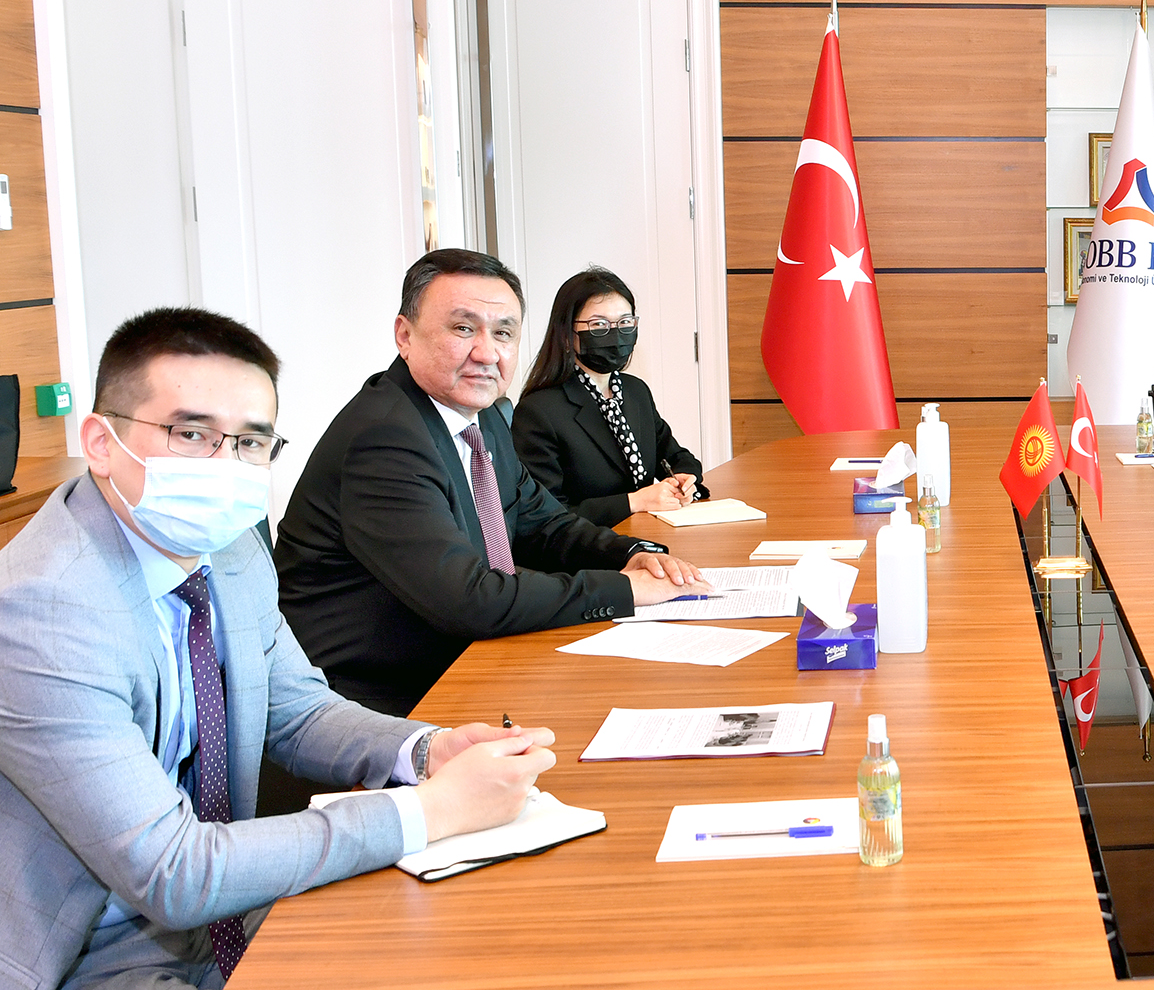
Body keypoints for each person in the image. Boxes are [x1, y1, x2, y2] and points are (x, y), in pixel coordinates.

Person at [0, 308, 556, 989]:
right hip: (87, 948)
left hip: (222, 903)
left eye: (251, 442)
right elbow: (174, 872)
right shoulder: (43, 610)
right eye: (191, 434)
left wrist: (426, 750)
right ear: (101, 442)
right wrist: (432, 809)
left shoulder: (229, 545)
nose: (225, 467)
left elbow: (296, 710)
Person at [277, 249, 710, 717]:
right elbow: (468, 601)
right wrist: (624, 590)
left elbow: (544, 523)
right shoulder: (385, 437)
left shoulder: (481, 418)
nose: (487, 354)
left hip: (461, 658)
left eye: (503, 333)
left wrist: (634, 555)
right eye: (463, 328)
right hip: (373, 697)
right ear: (404, 335)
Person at [512, 267, 707, 527]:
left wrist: (685, 477)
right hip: (587, 546)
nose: (615, 334)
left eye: (625, 322)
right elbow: (546, 515)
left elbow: (675, 456)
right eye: (599, 325)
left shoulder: (635, 391)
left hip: (646, 532)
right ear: (567, 335)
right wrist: (635, 501)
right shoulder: (538, 411)